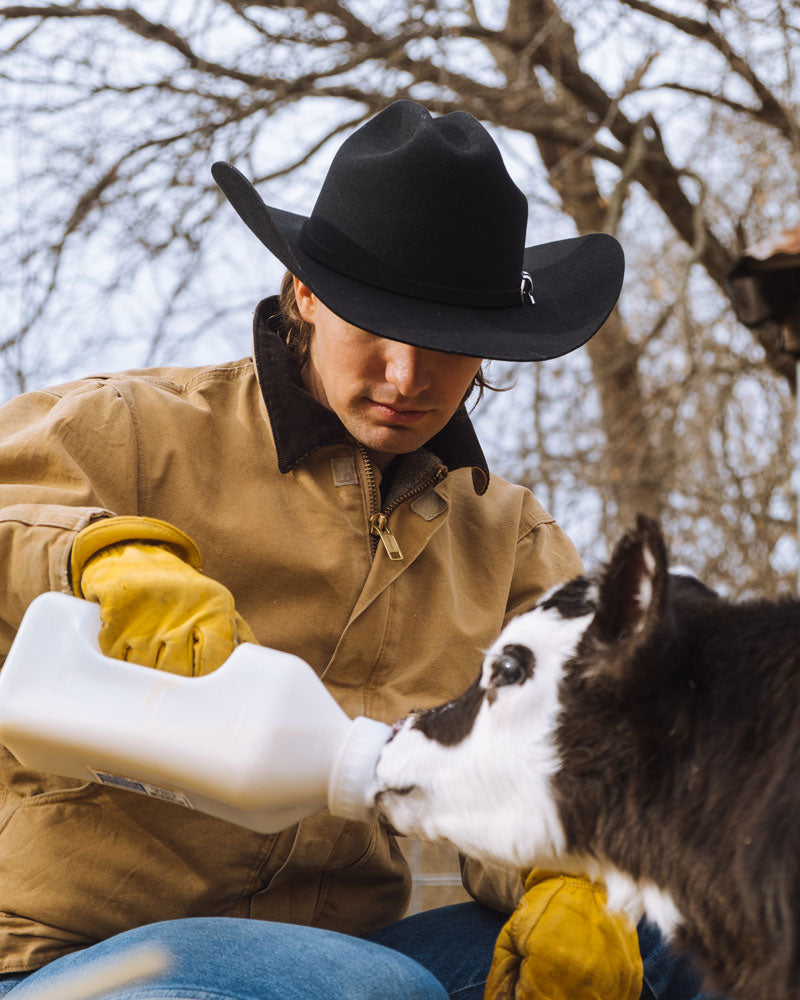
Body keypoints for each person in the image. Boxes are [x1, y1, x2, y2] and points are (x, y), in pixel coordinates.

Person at [0, 101, 704, 1000]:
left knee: (687, 927)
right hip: (88, 957)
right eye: (374, 326)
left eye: (445, 344)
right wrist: (101, 555)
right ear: (305, 293)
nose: (406, 380)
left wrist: (572, 880)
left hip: (358, 954)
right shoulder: (136, 431)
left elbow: (575, 754)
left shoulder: (510, 541)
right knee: (371, 987)